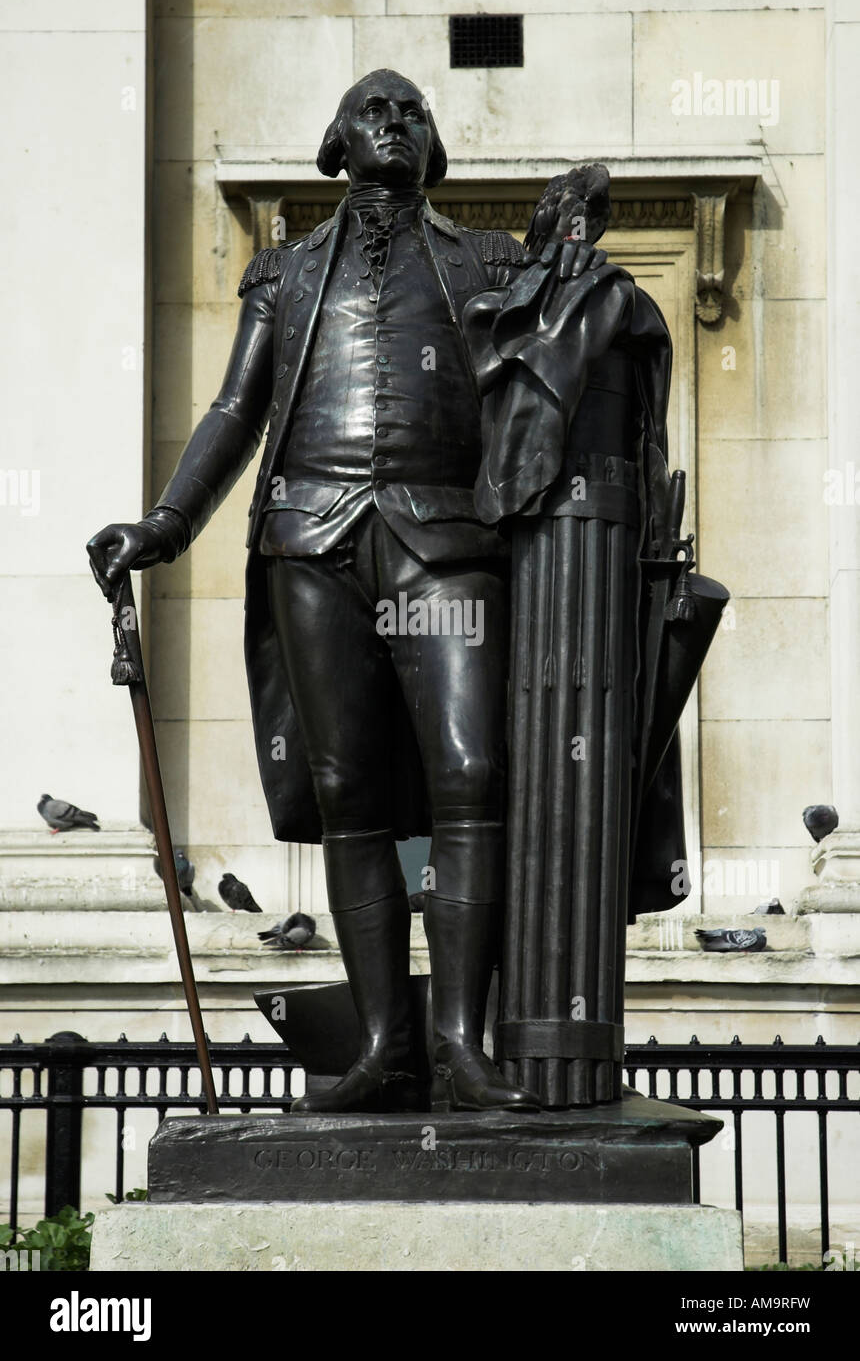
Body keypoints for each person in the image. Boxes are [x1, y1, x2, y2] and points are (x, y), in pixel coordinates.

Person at [87, 69, 603, 1114]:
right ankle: (383, 1045)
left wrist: (568, 249)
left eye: (414, 111)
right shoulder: (284, 270)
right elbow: (237, 408)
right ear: (335, 141)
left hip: (442, 537)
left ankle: (459, 1039)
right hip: (310, 540)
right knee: (349, 796)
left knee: (470, 770)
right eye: (377, 109)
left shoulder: (483, 259)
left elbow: (561, 342)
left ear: (434, 142)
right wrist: (166, 524)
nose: (397, 122)